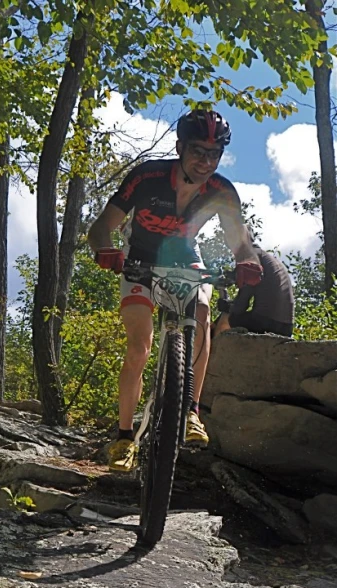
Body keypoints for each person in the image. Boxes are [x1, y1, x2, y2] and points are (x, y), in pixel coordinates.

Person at [88, 108, 262, 473]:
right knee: (140, 344)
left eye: (214, 153)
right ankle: (123, 436)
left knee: (200, 314)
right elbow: (103, 225)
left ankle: (191, 412)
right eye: (198, 151)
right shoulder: (147, 176)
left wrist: (248, 261)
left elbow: (240, 242)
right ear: (180, 146)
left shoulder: (221, 191)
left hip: (185, 258)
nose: (206, 161)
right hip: (140, 258)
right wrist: (106, 249)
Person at [213, 225, 294, 338]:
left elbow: (241, 304)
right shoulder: (261, 255)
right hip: (285, 325)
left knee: (225, 322)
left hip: (267, 323)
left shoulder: (250, 259)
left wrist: (226, 308)